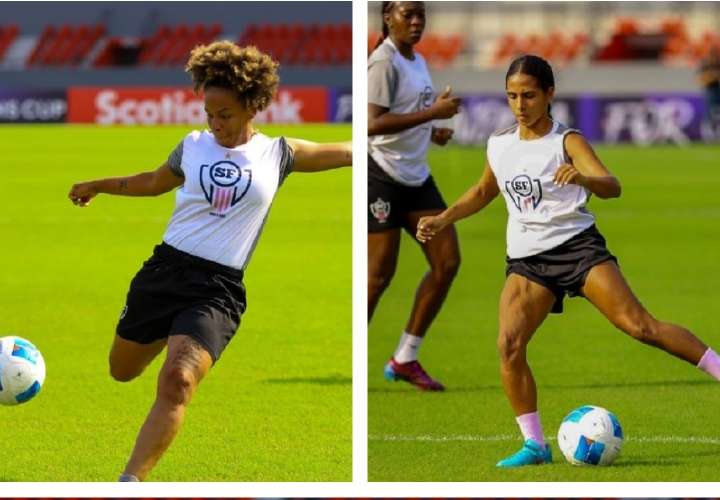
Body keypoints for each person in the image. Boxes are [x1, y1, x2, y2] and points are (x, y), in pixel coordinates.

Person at [416, 54, 720, 467]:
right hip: (527, 262)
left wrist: (583, 178)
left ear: (549, 94)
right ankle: (535, 445)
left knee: (640, 326)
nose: (520, 105)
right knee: (509, 345)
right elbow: (485, 190)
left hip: (578, 250)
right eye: (512, 96)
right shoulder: (499, 143)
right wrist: (444, 218)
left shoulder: (567, 141)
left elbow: (612, 186)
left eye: (528, 95)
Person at [68, 41, 351, 481]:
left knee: (178, 381)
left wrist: (396, 132)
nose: (216, 124)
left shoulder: (279, 154)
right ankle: (170, 330)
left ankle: (129, 482)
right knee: (121, 371)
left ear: (253, 106)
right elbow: (153, 182)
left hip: (217, 290)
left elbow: (351, 151)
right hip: (164, 273)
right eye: (209, 114)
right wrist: (98, 184)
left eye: (226, 115)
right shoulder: (193, 146)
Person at [368, 1, 462, 391]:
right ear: (388, 17)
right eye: (408, 14)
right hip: (383, 177)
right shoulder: (383, 62)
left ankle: (405, 357)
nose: (417, 21)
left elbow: (407, 114)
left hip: (416, 177)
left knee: (447, 262)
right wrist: (433, 115)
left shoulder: (416, 60)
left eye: (421, 14)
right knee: (378, 276)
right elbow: (371, 124)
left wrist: (431, 132)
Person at [698, 47, 720, 140]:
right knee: (709, 113)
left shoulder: (718, 63)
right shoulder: (705, 64)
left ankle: (716, 134)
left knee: (716, 114)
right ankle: (708, 135)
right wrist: (712, 77)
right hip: (710, 89)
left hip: (718, 89)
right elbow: (701, 78)